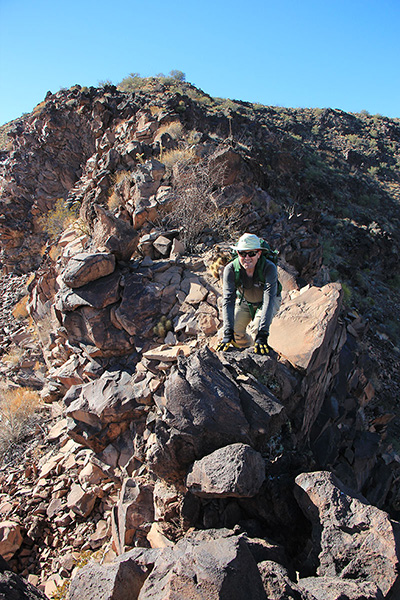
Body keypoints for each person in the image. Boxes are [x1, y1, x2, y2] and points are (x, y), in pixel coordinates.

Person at [216, 233, 281, 354]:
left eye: (251, 253)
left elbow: (269, 300)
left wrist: (263, 334)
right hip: (245, 300)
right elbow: (228, 301)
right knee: (234, 333)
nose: (247, 257)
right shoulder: (230, 269)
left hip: (267, 301)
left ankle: (260, 358)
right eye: (242, 253)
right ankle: (248, 351)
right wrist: (227, 332)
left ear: (259, 253)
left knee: (257, 329)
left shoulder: (268, 268)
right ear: (238, 253)